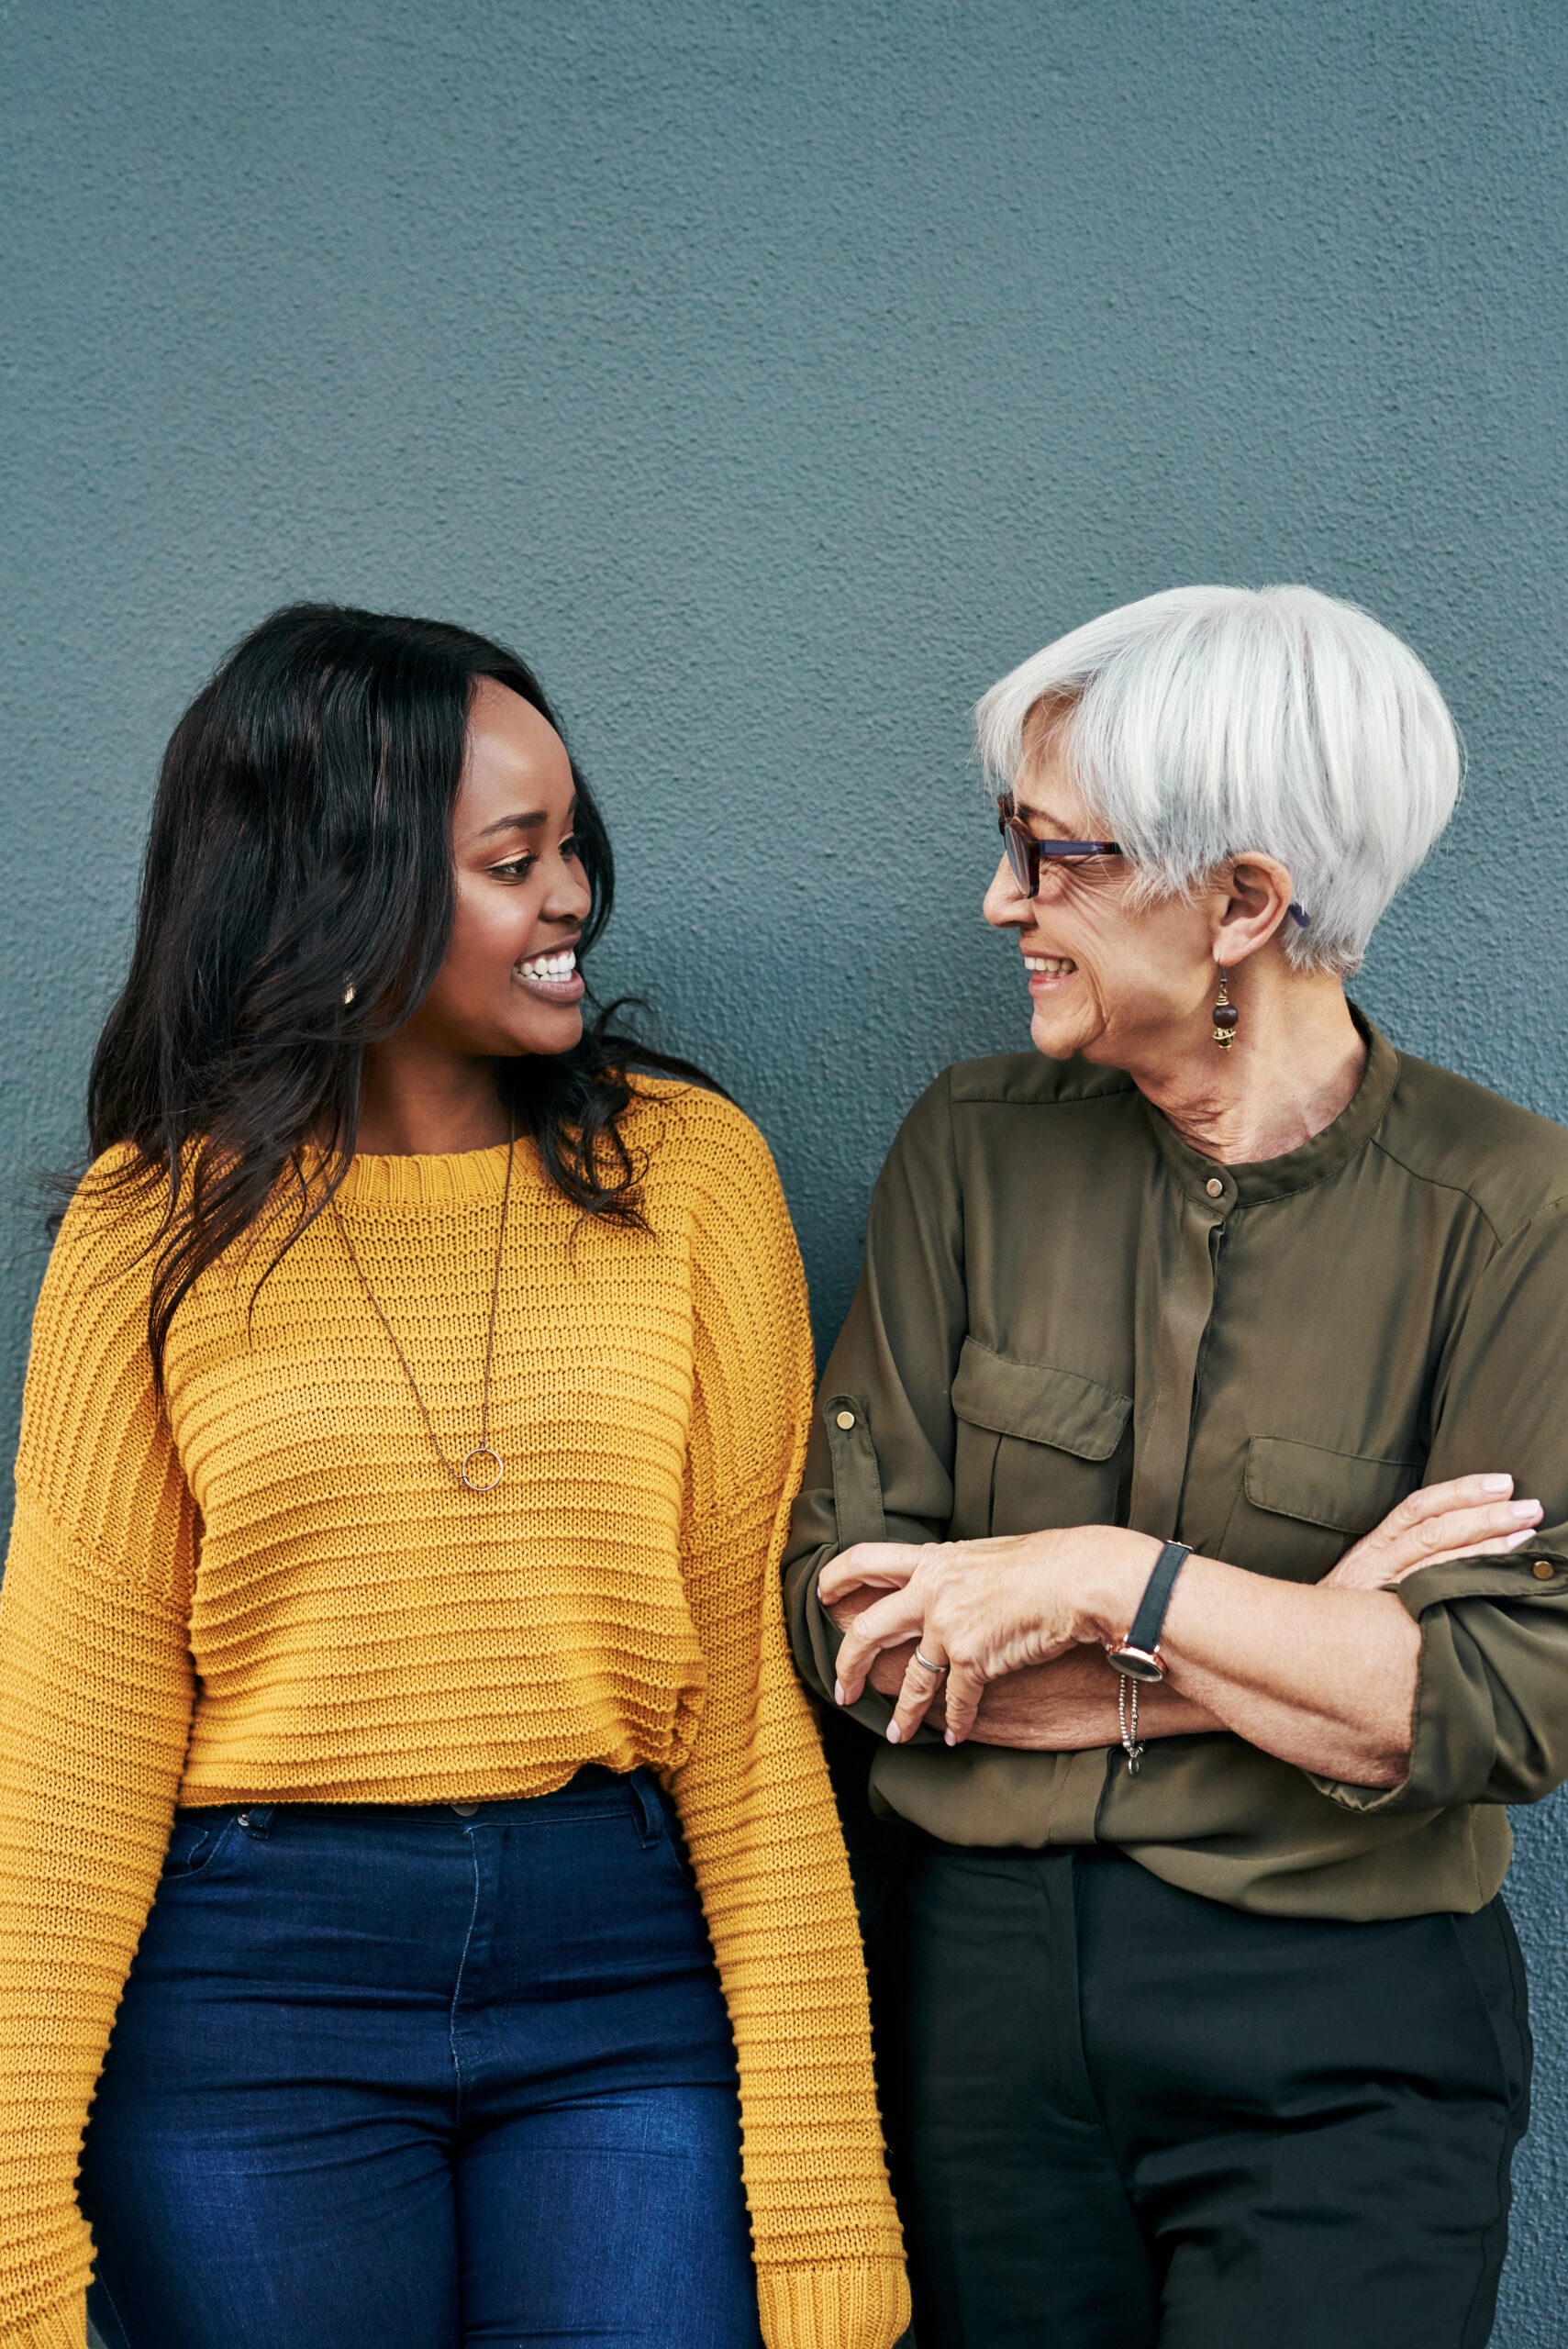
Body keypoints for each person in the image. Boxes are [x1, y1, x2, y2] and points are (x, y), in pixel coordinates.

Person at [0, 606, 909, 2349]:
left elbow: (746, 1709)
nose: (571, 896)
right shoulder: (146, 1231)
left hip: (626, 1970)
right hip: (254, 1998)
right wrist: (16, 2211)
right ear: (339, 888)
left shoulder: (690, 1179)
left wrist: (820, 2199)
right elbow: (71, 1737)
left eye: (573, 845)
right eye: (514, 859)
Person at [784, 584, 1568, 2349]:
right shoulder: (969, 1151)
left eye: (1050, 856)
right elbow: (855, 1633)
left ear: (1241, 902)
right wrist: (1302, 1634)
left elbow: (1503, 1702)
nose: (1004, 902)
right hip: (976, 2002)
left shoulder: (1511, 1210)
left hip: (1348, 2027)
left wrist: (1098, 1583)